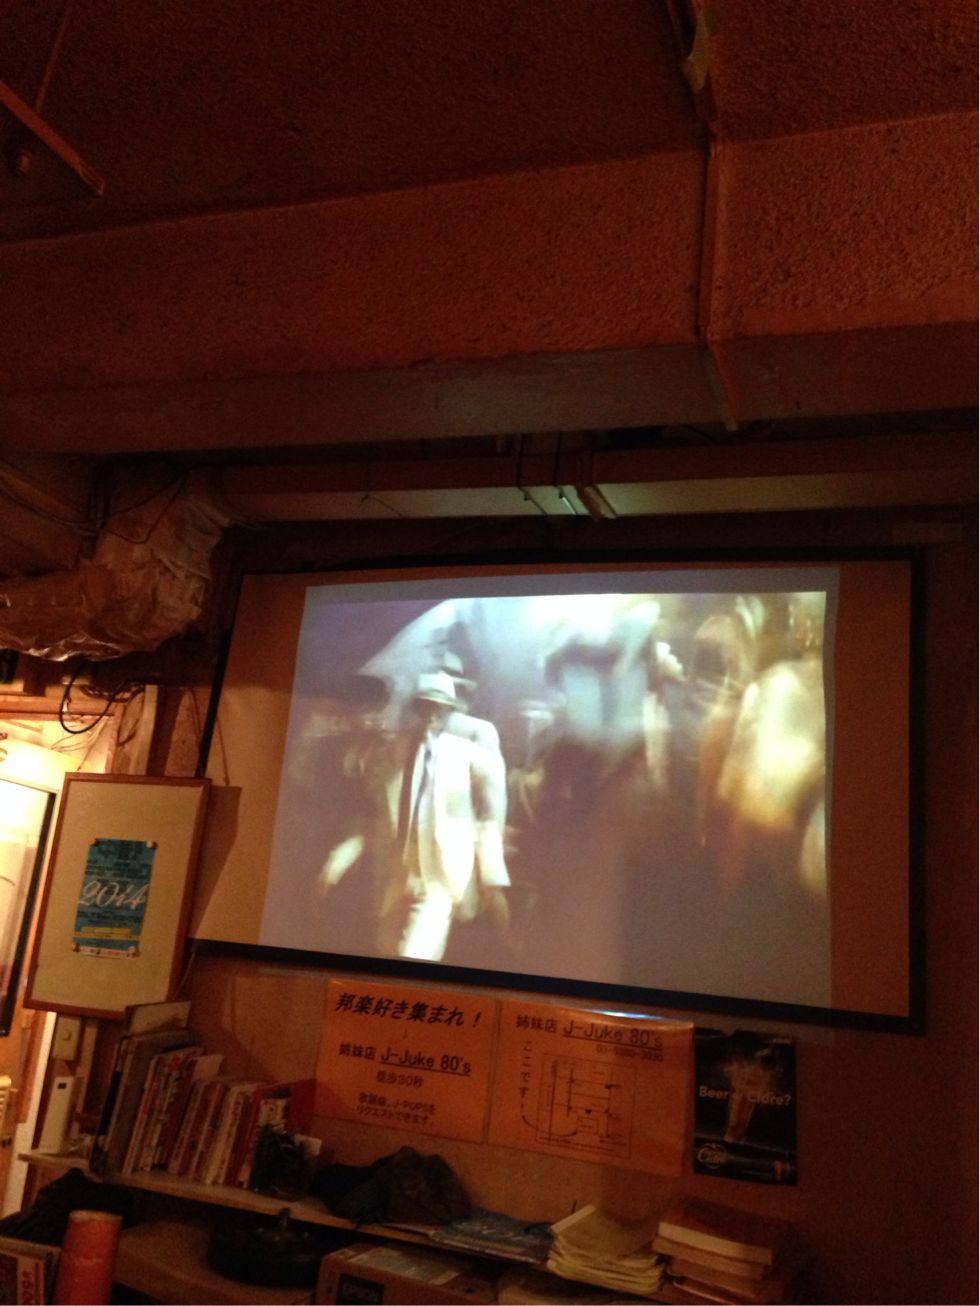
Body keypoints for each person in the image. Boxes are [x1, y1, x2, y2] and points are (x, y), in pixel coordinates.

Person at [321, 671, 510, 962]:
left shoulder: (467, 753)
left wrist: (492, 876)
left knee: (413, 954)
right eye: (424, 706)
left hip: (440, 878)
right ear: (415, 707)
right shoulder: (393, 752)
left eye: (439, 707)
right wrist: (342, 856)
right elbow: (376, 814)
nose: (431, 714)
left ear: (449, 710)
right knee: (386, 952)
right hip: (396, 874)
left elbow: (487, 816)